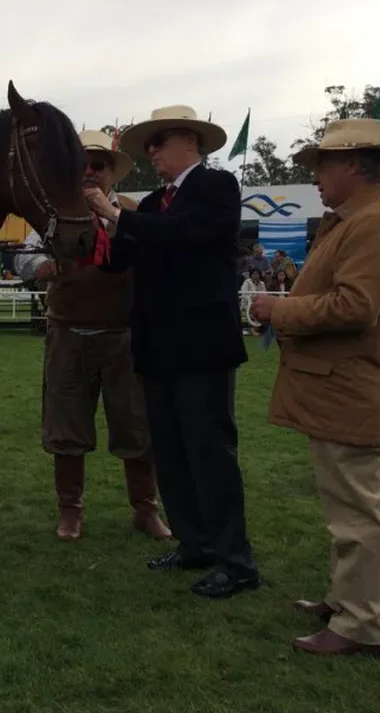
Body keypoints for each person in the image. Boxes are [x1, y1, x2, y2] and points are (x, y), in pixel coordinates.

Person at [251, 118, 380, 657]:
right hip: (342, 385)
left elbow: (355, 306)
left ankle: (361, 625)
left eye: (322, 165)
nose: (316, 177)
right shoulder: (364, 218)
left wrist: (279, 310)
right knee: (347, 507)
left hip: (351, 386)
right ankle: (348, 601)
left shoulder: (378, 223)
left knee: (357, 513)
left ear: (353, 164)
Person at [87, 105, 259, 600]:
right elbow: (119, 259)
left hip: (201, 344)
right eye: (149, 145)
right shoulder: (152, 202)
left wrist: (118, 215)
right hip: (158, 345)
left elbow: (189, 234)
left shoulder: (217, 186)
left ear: (190, 142)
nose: (152, 153)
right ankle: (195, 543)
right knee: (171, 452)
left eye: (158, 142)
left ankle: (235, 561)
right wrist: (97, 221)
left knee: (210, 452)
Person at [13, 130, 170, 542]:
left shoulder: (133, 211)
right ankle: (70, 511)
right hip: (68, 332)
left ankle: (145, 509)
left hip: (125, 336)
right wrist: (40, 267)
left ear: (112, 173)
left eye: (97, 165)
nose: (88, 172)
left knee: (137, 427)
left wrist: (112, 218)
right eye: (80, 165)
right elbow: (24, 255)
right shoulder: (54, 212)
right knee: (66, 428)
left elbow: (157, 254)